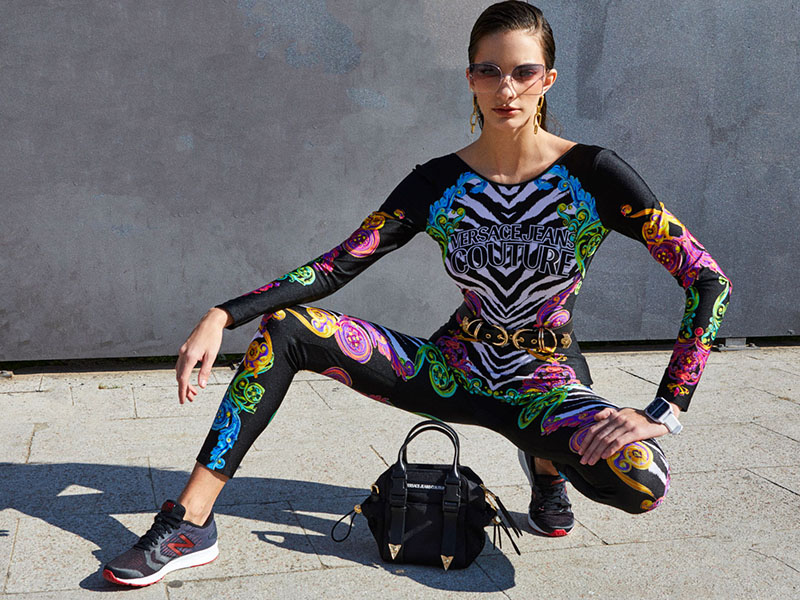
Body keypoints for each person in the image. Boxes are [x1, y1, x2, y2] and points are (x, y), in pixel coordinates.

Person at [103, 0, 731, 586]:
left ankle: (546, 466)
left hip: (542, 383)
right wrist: (224, 314)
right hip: (452, 370)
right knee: (288, 329)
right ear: (470, 78)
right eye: (489, 71)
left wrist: (663, 409)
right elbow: (338, 265)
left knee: (642, 483)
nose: (506, 89)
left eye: (523, 72)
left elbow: (707, 279)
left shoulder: (594, 174)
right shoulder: (437, 182)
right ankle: (191, 522)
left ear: (548, 79)